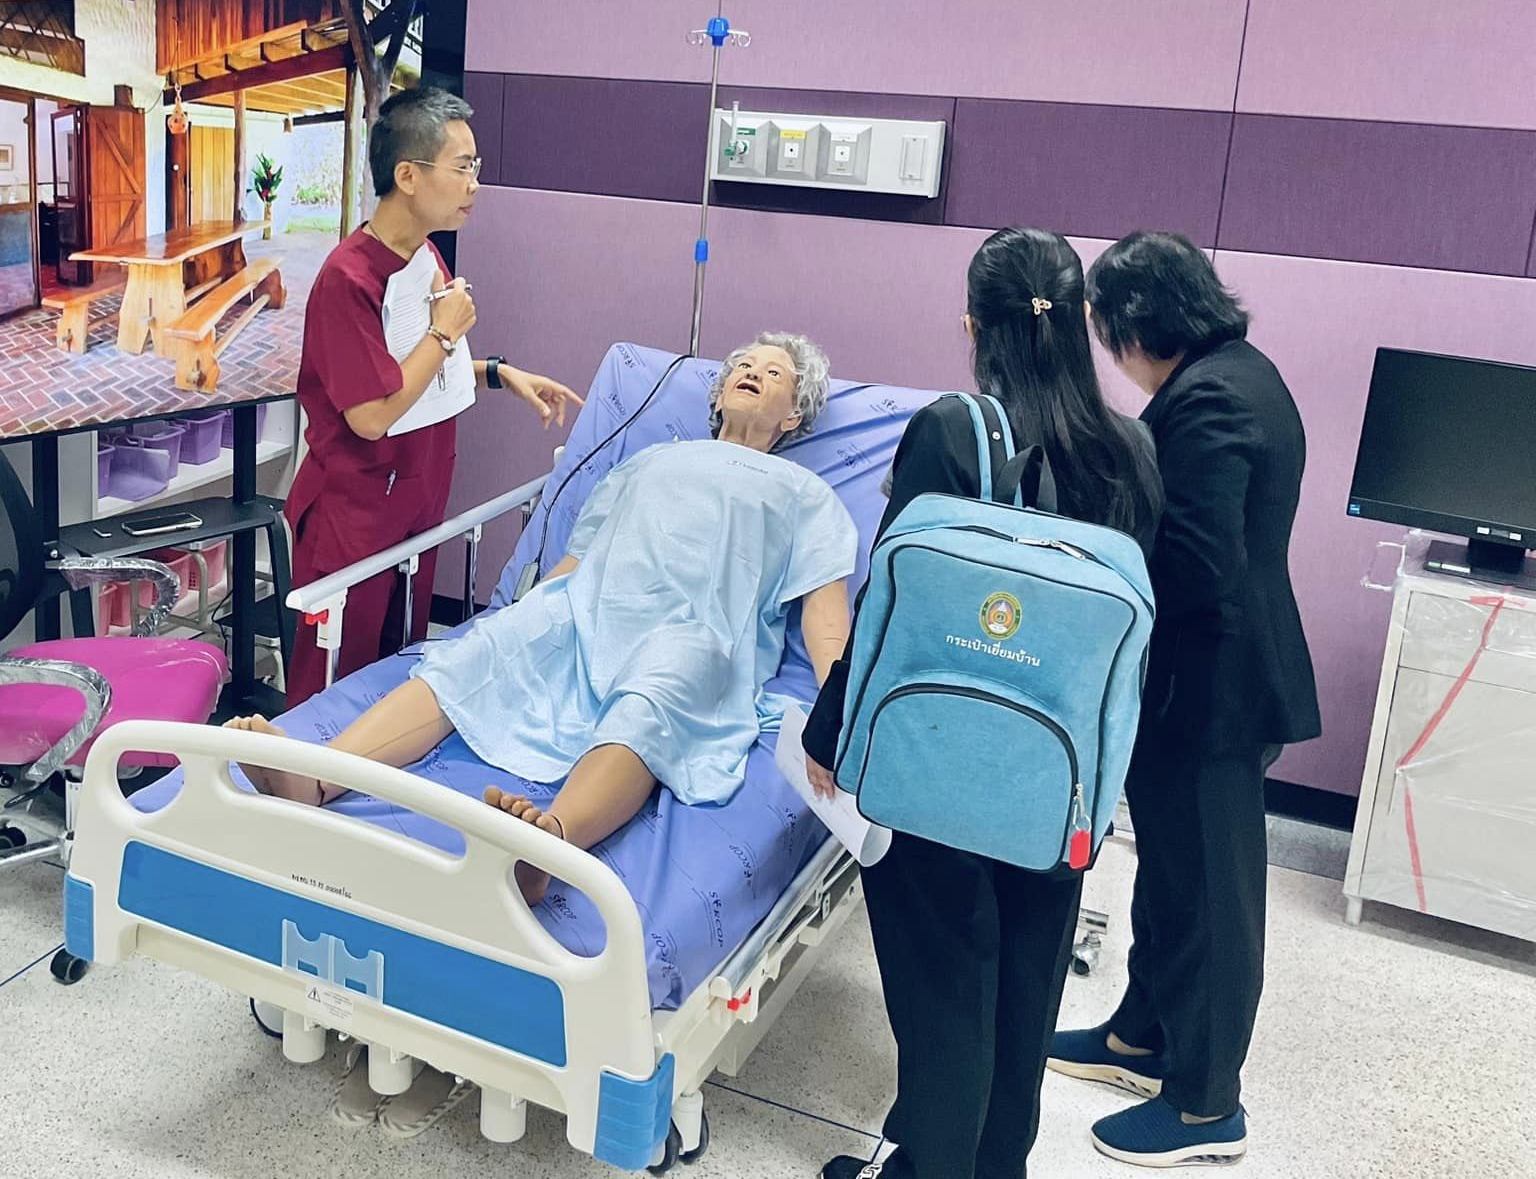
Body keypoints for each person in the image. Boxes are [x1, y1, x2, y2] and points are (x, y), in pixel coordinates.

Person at [233, 333, 858, 902]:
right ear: (717, 395)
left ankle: (547, 844)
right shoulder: (649, 461)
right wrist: (525, 617)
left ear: (794, 415)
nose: (752, 372)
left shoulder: (805, 493)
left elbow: (825, 620)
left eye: (773, 373)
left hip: (696, 632)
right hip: (592, 604)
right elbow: (578, 558)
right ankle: (319, 777)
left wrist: (840, 710)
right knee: (483, 649)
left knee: (659, 693)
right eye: (743, 364)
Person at [803, 228, 1163, 1179]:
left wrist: (831, 730)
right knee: (1027, 982)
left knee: (943, 983)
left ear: (974, 325)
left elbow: (896, 606)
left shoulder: (951, 431)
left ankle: (928, 1165)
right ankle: (999, 1163)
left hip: (941, 760)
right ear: (1079, 321)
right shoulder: (1130, 448)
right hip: (1064, 775)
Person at [1047, 231, 1318, 1169]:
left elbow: (1195, 564)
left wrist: (1093, 572)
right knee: (1169, 878)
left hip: (1213, 689)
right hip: (1205, 681)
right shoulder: (1240, 373)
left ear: (1135, 326)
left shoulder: (1206, 401)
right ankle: (1141, 1037)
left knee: (1210, 897)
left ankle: (1207, 1107)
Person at [284, 85, 581, 707]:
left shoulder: (423, 256)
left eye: (477, 167)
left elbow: (411, 373)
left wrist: (496, 373)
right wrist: (445, 333)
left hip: (415, 496)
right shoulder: (348, 279)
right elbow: (371, 413)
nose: (475, 184)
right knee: (335, 686)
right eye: (462, 167)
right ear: (408, 176)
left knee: (396, 669)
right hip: (358, 509)